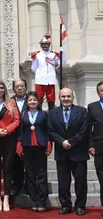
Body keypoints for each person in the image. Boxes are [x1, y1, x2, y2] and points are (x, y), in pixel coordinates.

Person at [48, 88, 89, 216]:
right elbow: (50, 130)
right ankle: (66, 205)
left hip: (78, 152)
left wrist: (71, 142)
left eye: (68, 96)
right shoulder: (53, 113)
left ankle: (80, 206)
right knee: (63, 182)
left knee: (81, 182)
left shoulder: (82, 111)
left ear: (73, 97)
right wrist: (62, 142)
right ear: (59, 98)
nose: (66, 99)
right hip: (61, 153)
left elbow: (84, 131)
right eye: (63, 96)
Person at [16, 91, 52, 213]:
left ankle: (42, 201)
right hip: (27, 146)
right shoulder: (23, 115)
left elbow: (48, 130)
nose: (32, 102)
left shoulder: (43, 114)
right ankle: (34, 201)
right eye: (30, 100)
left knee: (41, 175)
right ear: (27, 102)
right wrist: (19, 144)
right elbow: (20, 132)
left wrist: (48, 144)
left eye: (34, 100)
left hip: (40, 146)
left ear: (38, 102)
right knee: (30, 175)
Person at [0, 80, 20, 211]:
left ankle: (6, 198)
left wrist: (6, 130)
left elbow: (17, 120)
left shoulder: (11, 103)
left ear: (5, 89)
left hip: (8, 138)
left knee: (7, 168)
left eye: (1, 88)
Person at [31, 33, 60, 111]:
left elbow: (60, 64)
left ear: (49, 45)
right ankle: (39, 114)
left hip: (50, 79)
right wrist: (41, 74)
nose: (45, 46)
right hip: (40, 79)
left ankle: (51, 115)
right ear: (41, 45)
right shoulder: (37, 55)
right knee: (39, 98)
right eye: (43, 44)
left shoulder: (54, 54)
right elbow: (33, 68)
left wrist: (62, 54)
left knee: (51, 98)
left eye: (46, 44)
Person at [88, 81, 103, 216]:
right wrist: (91, 145)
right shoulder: (92, 107)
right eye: (101, 90)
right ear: (98, 93)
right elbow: (89, 129)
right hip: (100, 148)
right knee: (102, 178)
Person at [11, 79, 28, 196]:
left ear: (25, 87)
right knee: (15, 164)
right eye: (17, 87)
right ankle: (17, 185)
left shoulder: (32, 99)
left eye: (22, 86)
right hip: (13, 136)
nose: (20, 88)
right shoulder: (9, 101)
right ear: (13, 89)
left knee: (29, 164)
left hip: (28, 136)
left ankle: (28, 186)